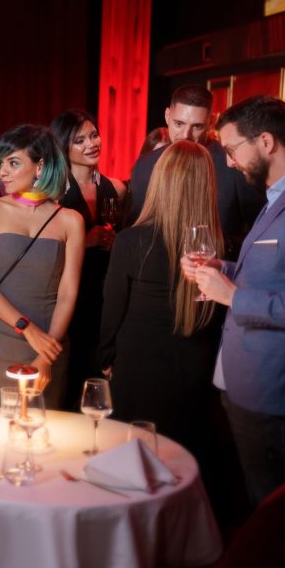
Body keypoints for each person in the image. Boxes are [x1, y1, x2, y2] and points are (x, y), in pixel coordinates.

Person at [187, 95, 285, 507]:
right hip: (243, 382)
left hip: (270, 391)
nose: (228, 163)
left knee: (267, 512)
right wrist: (223, 268)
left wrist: (232, 296)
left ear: (265, 142)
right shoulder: (272, 198)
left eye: (231, 149)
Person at [99, 141, 222, 465]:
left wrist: (105, 357)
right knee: (179, 465)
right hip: (193, 364)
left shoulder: (131, 240)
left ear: (160, 181)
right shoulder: (217, 248)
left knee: (130, 465)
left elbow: (112, 309)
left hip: (137, 364)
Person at [0, 124, 84, 408]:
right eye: (1, 163)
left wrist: (47, 353)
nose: (3, 171)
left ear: (40, 167)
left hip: (48, 346)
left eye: (13, 163)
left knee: (40, 431)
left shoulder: (71, 221)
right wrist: (27, 329)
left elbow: (67, 294)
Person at [128, 84, 264, 256]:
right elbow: (135, 231)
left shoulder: (234, 165)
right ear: (167, 116)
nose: (186, 135)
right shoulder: (145, 165)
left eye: (197, 127)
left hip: (216, 266)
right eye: (179, 124)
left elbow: (260, 232)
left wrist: (222, 247)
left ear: (211, 122)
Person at [50, 110, 126, 409]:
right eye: (79, 140)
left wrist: (118, 243)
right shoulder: (54, 193)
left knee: (100, 380)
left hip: (106, 293)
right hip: (68, 295)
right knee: (69, 379)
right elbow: (44, 250)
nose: (91, 144)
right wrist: (86, 240)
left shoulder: (116, 188)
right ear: (63, 146)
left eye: (94, 135)